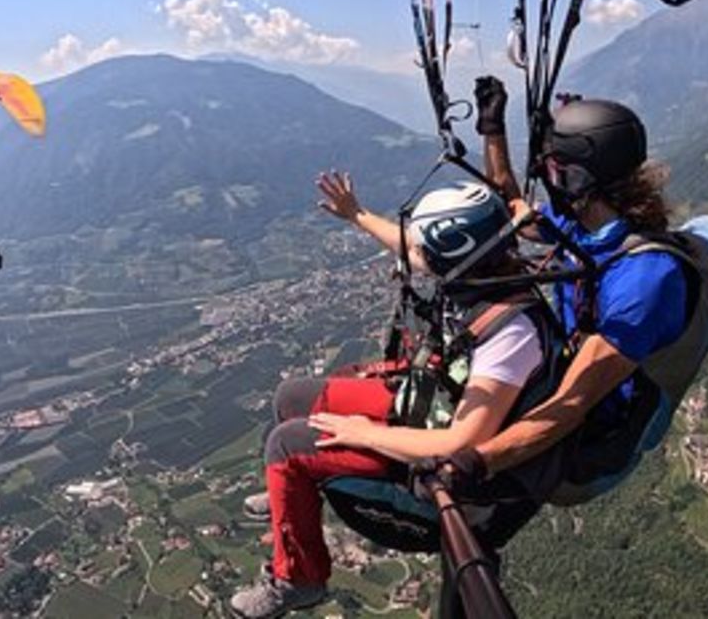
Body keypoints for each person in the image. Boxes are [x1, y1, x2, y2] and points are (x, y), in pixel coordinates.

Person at [228, 172, 554, 619]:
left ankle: (298, 579)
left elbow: (462, 443)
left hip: (456, 471)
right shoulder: (482, 268)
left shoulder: (510, 334)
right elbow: (417, 252)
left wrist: (363, 434)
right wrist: (356, 214)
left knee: (286, 446)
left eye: (426, 252)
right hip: (432, 407)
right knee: (293, 397)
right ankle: (292, 497)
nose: (415, 258)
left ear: (456, 254)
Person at [426, 75, 697, 497]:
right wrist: (492, 131)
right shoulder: (590, 222)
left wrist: (474, 462)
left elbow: (573, 404)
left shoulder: (643, 282)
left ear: (577, 181)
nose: (545, 175)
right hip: (566, 379)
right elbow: (514, 211)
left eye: (553, 167)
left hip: (593, 434)